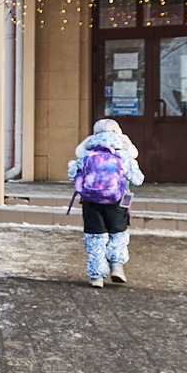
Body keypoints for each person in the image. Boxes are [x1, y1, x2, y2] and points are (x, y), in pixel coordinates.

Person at [67, 118, 145, 288]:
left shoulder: (87, 155)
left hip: (91, 201)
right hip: (117, 201)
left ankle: (97, 276)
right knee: (118, 233)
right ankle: (116, 266)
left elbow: (72, 174)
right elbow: (138, 179)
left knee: (95, 237)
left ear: (94, 134)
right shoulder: (122, 154)